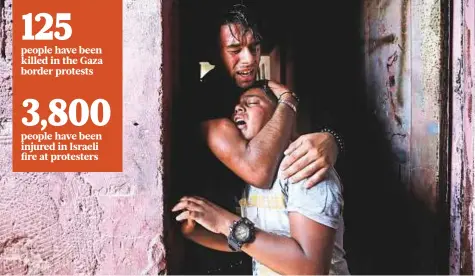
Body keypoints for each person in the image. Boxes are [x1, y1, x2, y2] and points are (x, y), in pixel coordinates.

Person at [172, 3, 346, 274]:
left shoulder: (259, 94)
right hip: (225, 253)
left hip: (254, 243)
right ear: (213, 52)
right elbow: (258, 169)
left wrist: (332, 140)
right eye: (234, 50)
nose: (250, 59)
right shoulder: (204, 100)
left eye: (254, 47)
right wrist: (288, 101)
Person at [173, 81, 350, 275]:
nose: (238, 108)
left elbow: (311, 268)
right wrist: (195, 232)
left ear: (280, 118)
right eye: (237, 106)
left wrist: (223, 221)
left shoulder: (303, 166)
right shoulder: (256, 176)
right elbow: (251, 242)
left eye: (252, 102)